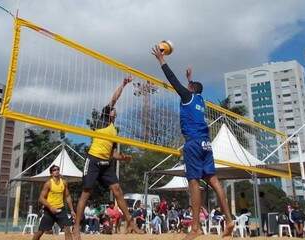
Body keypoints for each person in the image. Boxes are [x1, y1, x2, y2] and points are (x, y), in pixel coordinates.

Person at [152, 46, 234, 239]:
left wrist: (161, 60)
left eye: (189, 87)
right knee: (214, 180)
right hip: (206, 144)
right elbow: (193, 89)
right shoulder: (200, 100)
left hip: (194, 144)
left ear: (190, 90)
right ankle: (229, 220)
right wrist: (191, 79)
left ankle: (195, 228)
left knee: (193, 183)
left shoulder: (188, 96)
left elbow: (173, 81)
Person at [72, 76, 143, 239]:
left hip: (106, 163)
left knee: (117, 190)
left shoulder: (114, 131)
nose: (114, 110)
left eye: (114, 110)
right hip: (94, 160)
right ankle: (76, 227)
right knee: (86, 192)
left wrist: (123, 158)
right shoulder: (103, 119)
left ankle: (130, 223)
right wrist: (123, 85)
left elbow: (113, 153)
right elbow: (114, 98)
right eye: (112, 109)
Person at [33, 165, 75, 240]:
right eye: (54, 170)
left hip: (61, 210)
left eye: (57, 169)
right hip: (49, 210)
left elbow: (68, 196)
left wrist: (72, 210)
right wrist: (50, 207)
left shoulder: (64, 182)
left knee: (67, 229)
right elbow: (41, 198)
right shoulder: (48, 183)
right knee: (41, 231)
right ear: (51, 173)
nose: (56, 171)